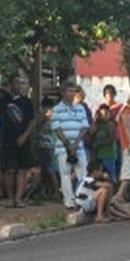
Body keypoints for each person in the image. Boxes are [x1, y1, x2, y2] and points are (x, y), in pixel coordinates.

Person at [0, 75, 39, 208]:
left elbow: (32, 121)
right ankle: (10, 198)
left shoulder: (26, 102)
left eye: (21, 83)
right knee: (9, 170)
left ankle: (19, 198)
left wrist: (25, 136)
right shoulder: (4, 101)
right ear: (10, 84)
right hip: (7, 139)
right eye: (16, 83)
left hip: (23, 138)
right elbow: (2, 120)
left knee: (22, 169)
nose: (19, 86)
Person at [50, 81, 91, 210]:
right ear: (63, 93)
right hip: (63, 148)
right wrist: (68, 145)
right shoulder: (56, 110)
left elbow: (84, 127)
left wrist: (76, 143)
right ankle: (69, 202)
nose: (72, 94)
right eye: (70, 91)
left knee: (83, 174)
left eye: (74, 91)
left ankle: (82, 200)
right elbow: (57, 129)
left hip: (78, 147)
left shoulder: (80, 108)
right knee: (66, 174)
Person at [90, 102, 118, 183]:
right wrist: (95, 120)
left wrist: (99, 144)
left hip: (108, 154)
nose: (104, 116)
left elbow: (112, 138)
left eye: (106, 114)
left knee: (110, 173)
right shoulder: (97, 125)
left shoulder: (110, 124)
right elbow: (92, 134)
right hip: (99, 154)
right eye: (102, 114)